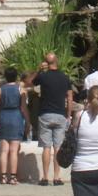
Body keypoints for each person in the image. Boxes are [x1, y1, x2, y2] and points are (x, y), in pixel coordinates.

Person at [33, 52, 74, 186]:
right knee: (58, 147)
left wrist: (38, 69)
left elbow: (30, 82)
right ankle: (56, 177)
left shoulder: (43, 77)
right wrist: (68, 114)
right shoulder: (65, 78)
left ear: (46, 62)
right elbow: (69, 97)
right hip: (60, 114)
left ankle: (45, 177)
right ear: (57, 61)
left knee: (46, 147)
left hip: (45, 114)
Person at [0, 68, 26, 185]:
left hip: (4, 116)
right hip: (16, 116)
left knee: (4, 150)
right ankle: (13, 177)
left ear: (5, 77)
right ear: (16, 77)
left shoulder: (0, 90)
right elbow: (23, 108)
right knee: (14, 150)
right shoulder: (20, 89)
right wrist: (29, 121)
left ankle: (3, 177)